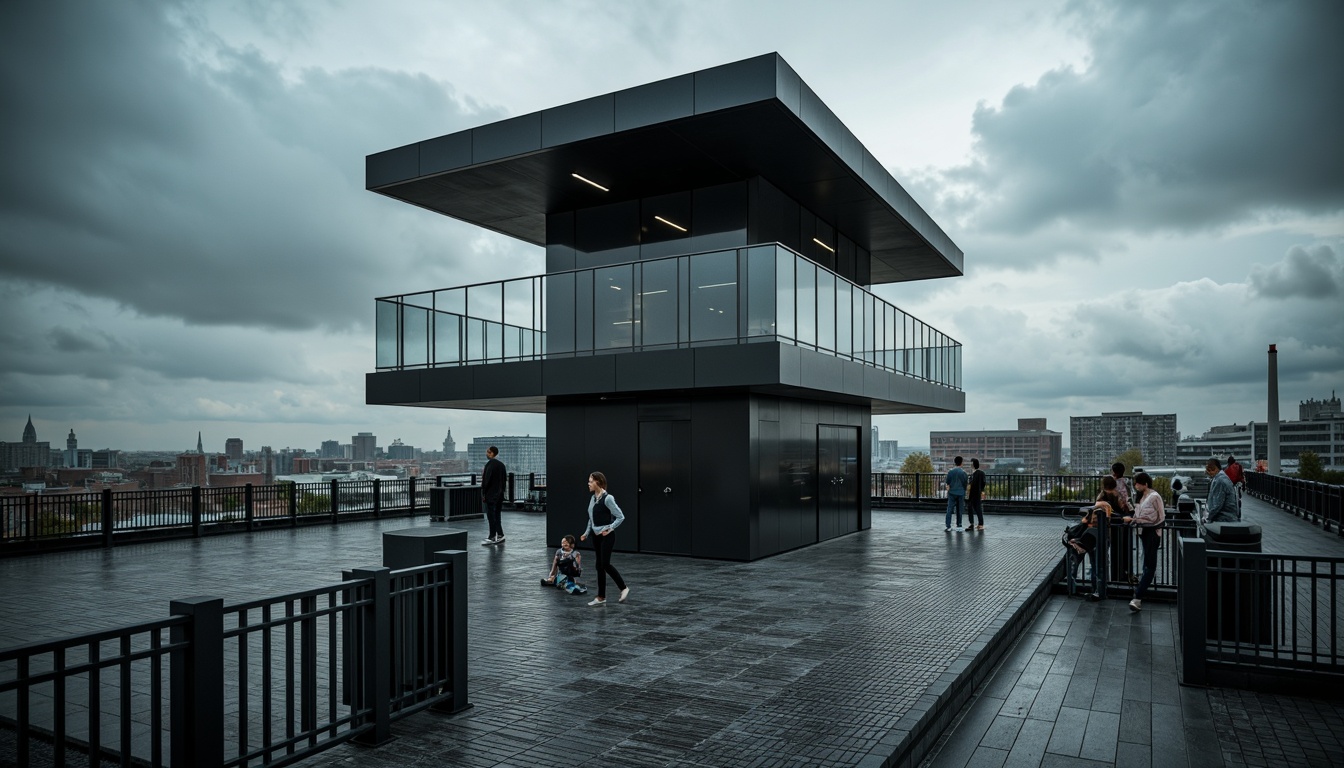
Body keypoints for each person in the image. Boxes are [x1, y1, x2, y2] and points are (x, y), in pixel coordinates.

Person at [580, 472, 629, 606]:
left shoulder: (608, 498)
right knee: (599, 566)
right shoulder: (593, 498)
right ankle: (601, 597)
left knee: (605, 564)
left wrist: (610, 528)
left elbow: (620, 517)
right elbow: (591, 519)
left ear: (598, 482)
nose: (588, 483)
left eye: (590, 481)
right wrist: (586, 533)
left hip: (607, 536)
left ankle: (623, 588)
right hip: (596, 536)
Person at [1122, 471, 1166, 612]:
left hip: (1152, 532)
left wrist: (1134, 520)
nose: (1135, 486)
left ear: (1145, 484)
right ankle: (1138, 595)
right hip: (1143, 532)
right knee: (1147, 563)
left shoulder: (1154, 497)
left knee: (1149, 565)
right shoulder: (1141, 497)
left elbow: (1160, 517)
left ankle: (1138, 596)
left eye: (1137, 483)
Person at [480, 446, 507, 545]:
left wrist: (484, 493)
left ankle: (492, 536)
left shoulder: (489, 465)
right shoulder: (501, 465)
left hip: (491, 495)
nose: (487, 454)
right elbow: (504, 480)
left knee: (491, 516)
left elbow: (486, 481)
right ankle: (500, 535)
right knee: (497, 515)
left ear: (492, 453)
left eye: (488, 452)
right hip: (499, 494)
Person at [1204, 458, 1240, 523]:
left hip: (1223, 520)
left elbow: (1216, 505)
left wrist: (1206, 518)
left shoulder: (1219, 481)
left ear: (1215, 469)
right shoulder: (1222, 477)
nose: (1206, 473)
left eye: (1208, 470)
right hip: (1229, 518)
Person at [943, 456, 968, 532]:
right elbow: (965, 483)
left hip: (952, 492)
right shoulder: (963, 473)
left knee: (949, 509)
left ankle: (948, 526)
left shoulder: (950, 472)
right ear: (961, 462)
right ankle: (959, 525)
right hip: (961, 493)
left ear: (955, 462)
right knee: (959, 509)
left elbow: (947, 482)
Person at [964, 458, 986, 531]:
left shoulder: (975, 474)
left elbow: (971, 484)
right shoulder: (980, 473)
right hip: (976, 493)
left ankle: (973, 523)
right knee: (977, 509)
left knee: (972, 508)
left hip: (973, 493)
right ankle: (980, 524)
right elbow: (983, 483)